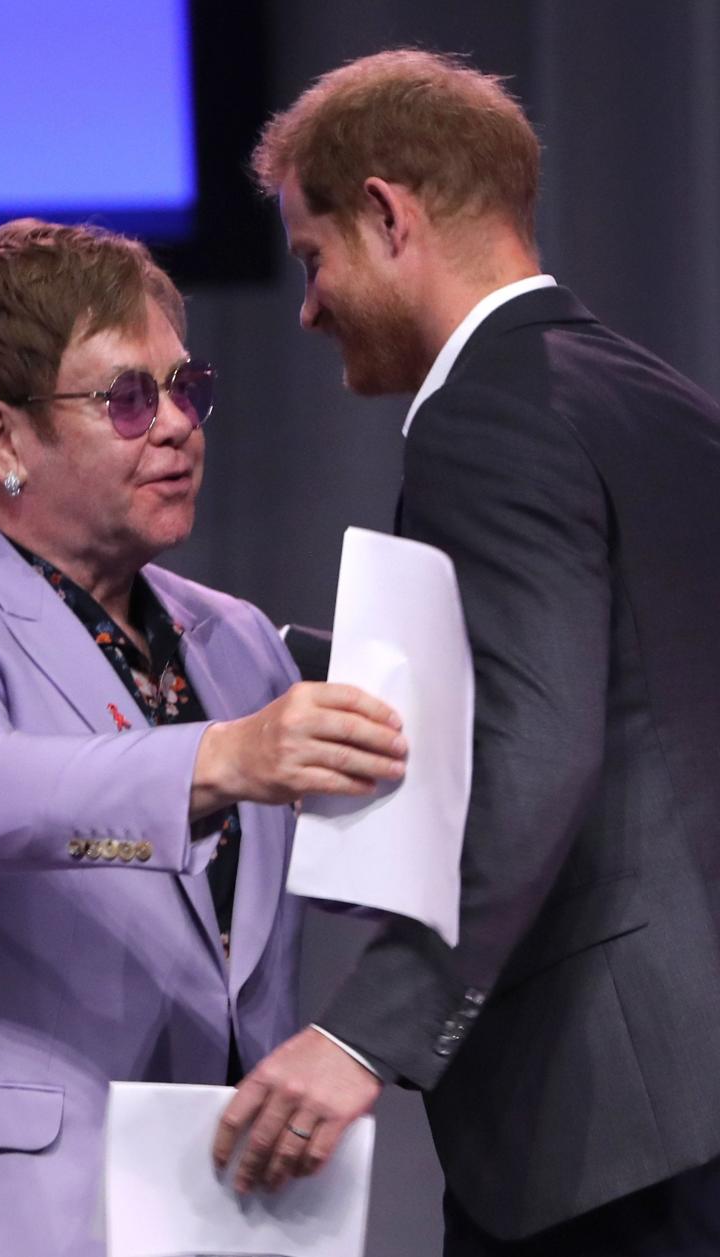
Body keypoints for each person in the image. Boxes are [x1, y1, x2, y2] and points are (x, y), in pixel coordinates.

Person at [0, 218, 408, 1257]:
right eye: (126, 399)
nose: (177, 427)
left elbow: (358, 881)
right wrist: (222, 758)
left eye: (185, 387)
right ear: (2, 437)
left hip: (191, 1215)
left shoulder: (236, 644)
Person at [212, 48, 720, 1255]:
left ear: (388, 214)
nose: (310, 305)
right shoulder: (660, 401)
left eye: (312, 256)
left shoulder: (482, 417)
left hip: (618, 1128)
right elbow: (631, 684)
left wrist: (363, 1034)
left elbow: (537, 751)